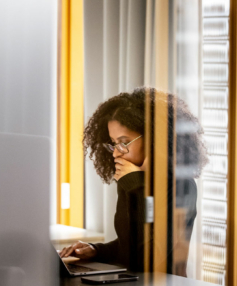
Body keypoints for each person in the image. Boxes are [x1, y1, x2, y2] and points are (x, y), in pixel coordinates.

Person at [59, 87, 208, 274]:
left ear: (155, 138)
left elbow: (148, 258)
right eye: (113, 143)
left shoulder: (181, 186)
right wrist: (96, 250)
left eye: (123, 142)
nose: (115, 152)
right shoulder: (131, 180)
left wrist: (137, 186)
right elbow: (128, 247)